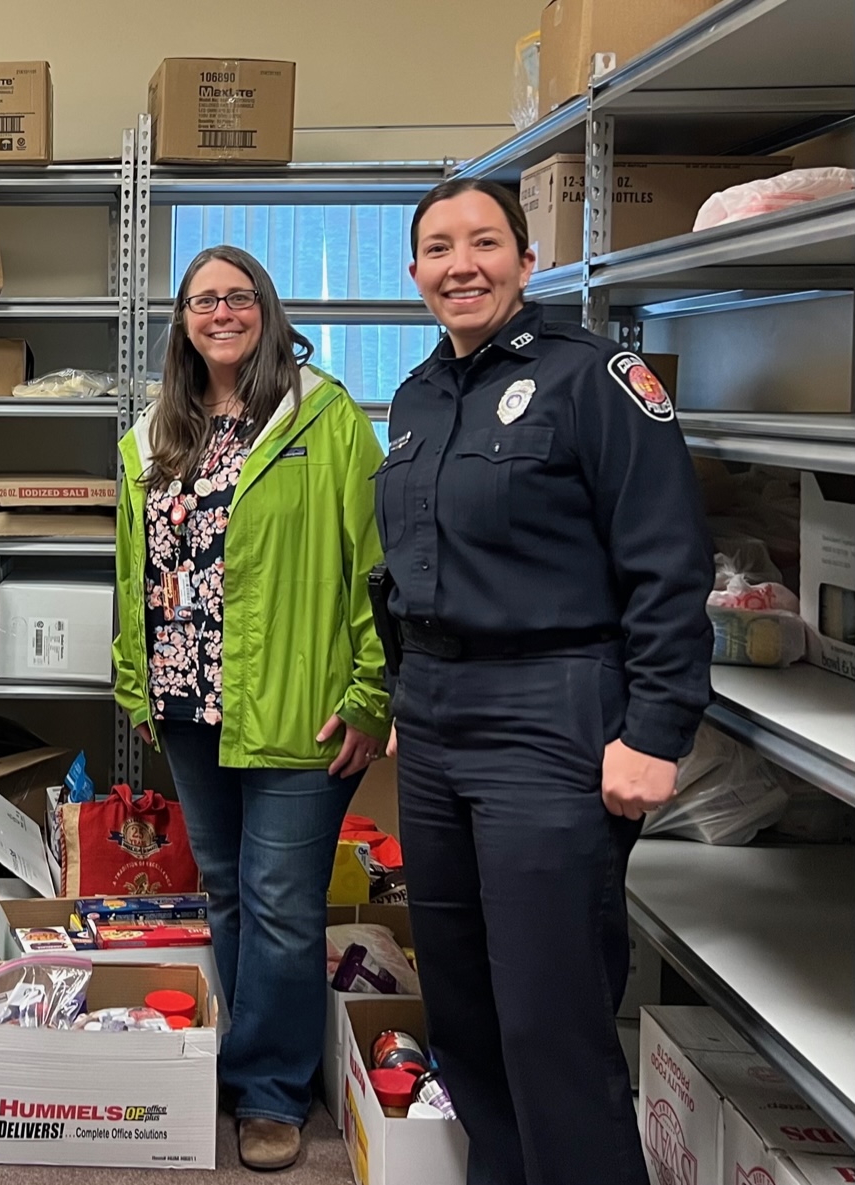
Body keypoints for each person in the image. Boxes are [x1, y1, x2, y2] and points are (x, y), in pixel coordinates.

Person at [380, 178, 714, 1185]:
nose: (459, 264)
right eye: (438, 248)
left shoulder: (590, 377)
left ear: (527, 262)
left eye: (483, 242)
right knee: (464, 1003)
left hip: (549, 709)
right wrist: (406, 693)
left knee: (547, 1011)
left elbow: (667, 558)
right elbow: (407, 564)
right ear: (414, 274)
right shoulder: (414, 395)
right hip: (435, 717)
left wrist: (654, 730)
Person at [112, 245, 389, 1172]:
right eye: (202, 301)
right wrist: (135, 679)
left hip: (299, 699)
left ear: (265, 309)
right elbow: (134, 572)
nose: (220, 313)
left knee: (281, 899)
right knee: (227, 890)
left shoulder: (324, 416)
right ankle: (239, 1064)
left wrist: (370, 691)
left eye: (237, 297)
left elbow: (373, 564)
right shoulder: (158, 428)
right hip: (191, 699)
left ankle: (272, 1091)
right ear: (182, 320)